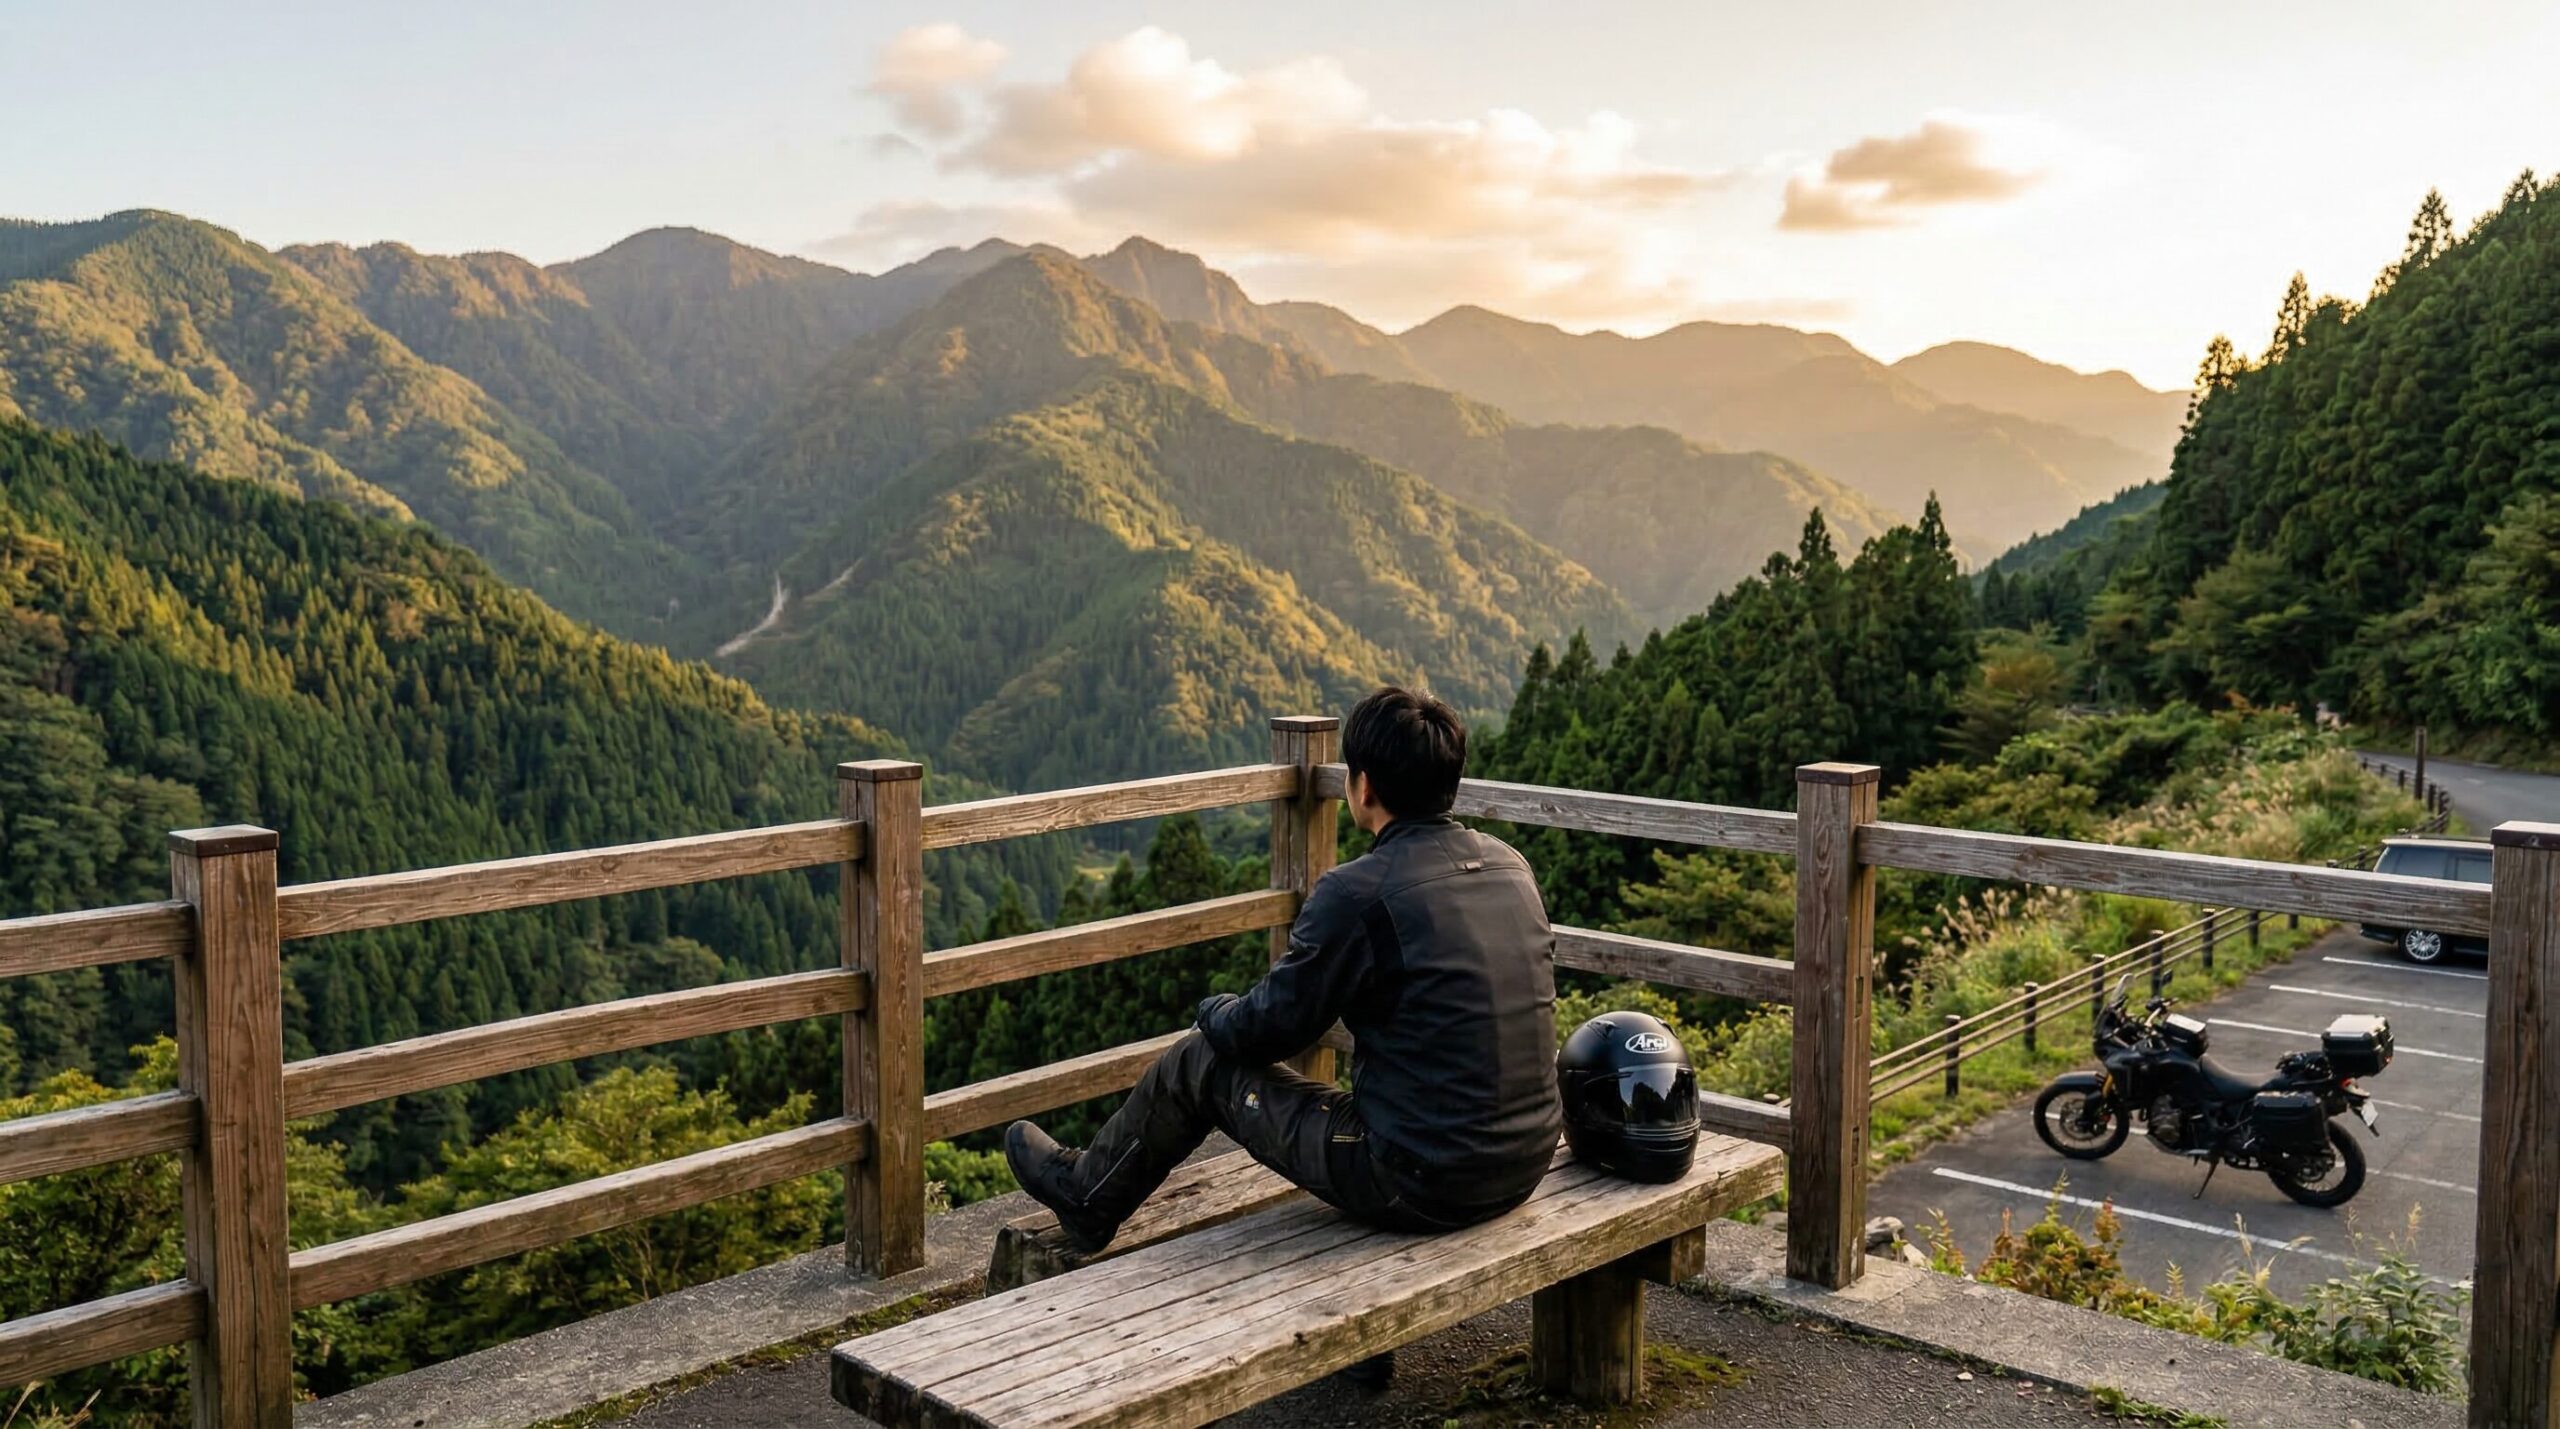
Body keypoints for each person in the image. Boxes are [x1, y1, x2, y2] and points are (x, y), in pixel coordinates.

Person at [1003, 686, 1564, 1258]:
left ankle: (1085, 1196)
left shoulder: (1357, 891)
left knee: (1199, 1060)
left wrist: (1213, 1009)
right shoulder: (1509, 866)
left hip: (1418, 1181)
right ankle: (1090, 1189)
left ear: (1362, 786)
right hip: (1525, 1159)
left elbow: (1268, 1030)